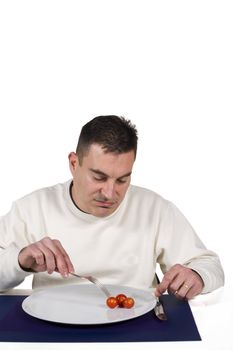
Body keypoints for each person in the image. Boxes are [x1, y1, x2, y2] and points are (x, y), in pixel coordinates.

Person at [0, 115, 224, 299]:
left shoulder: (155, 209)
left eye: (122, 180)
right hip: (53, 328)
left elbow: (209, 265)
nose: (109, 193)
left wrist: (197, 275)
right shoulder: (32, 208)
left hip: (138, 324)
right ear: (74, 164)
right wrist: (19, 261)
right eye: (99, 177)